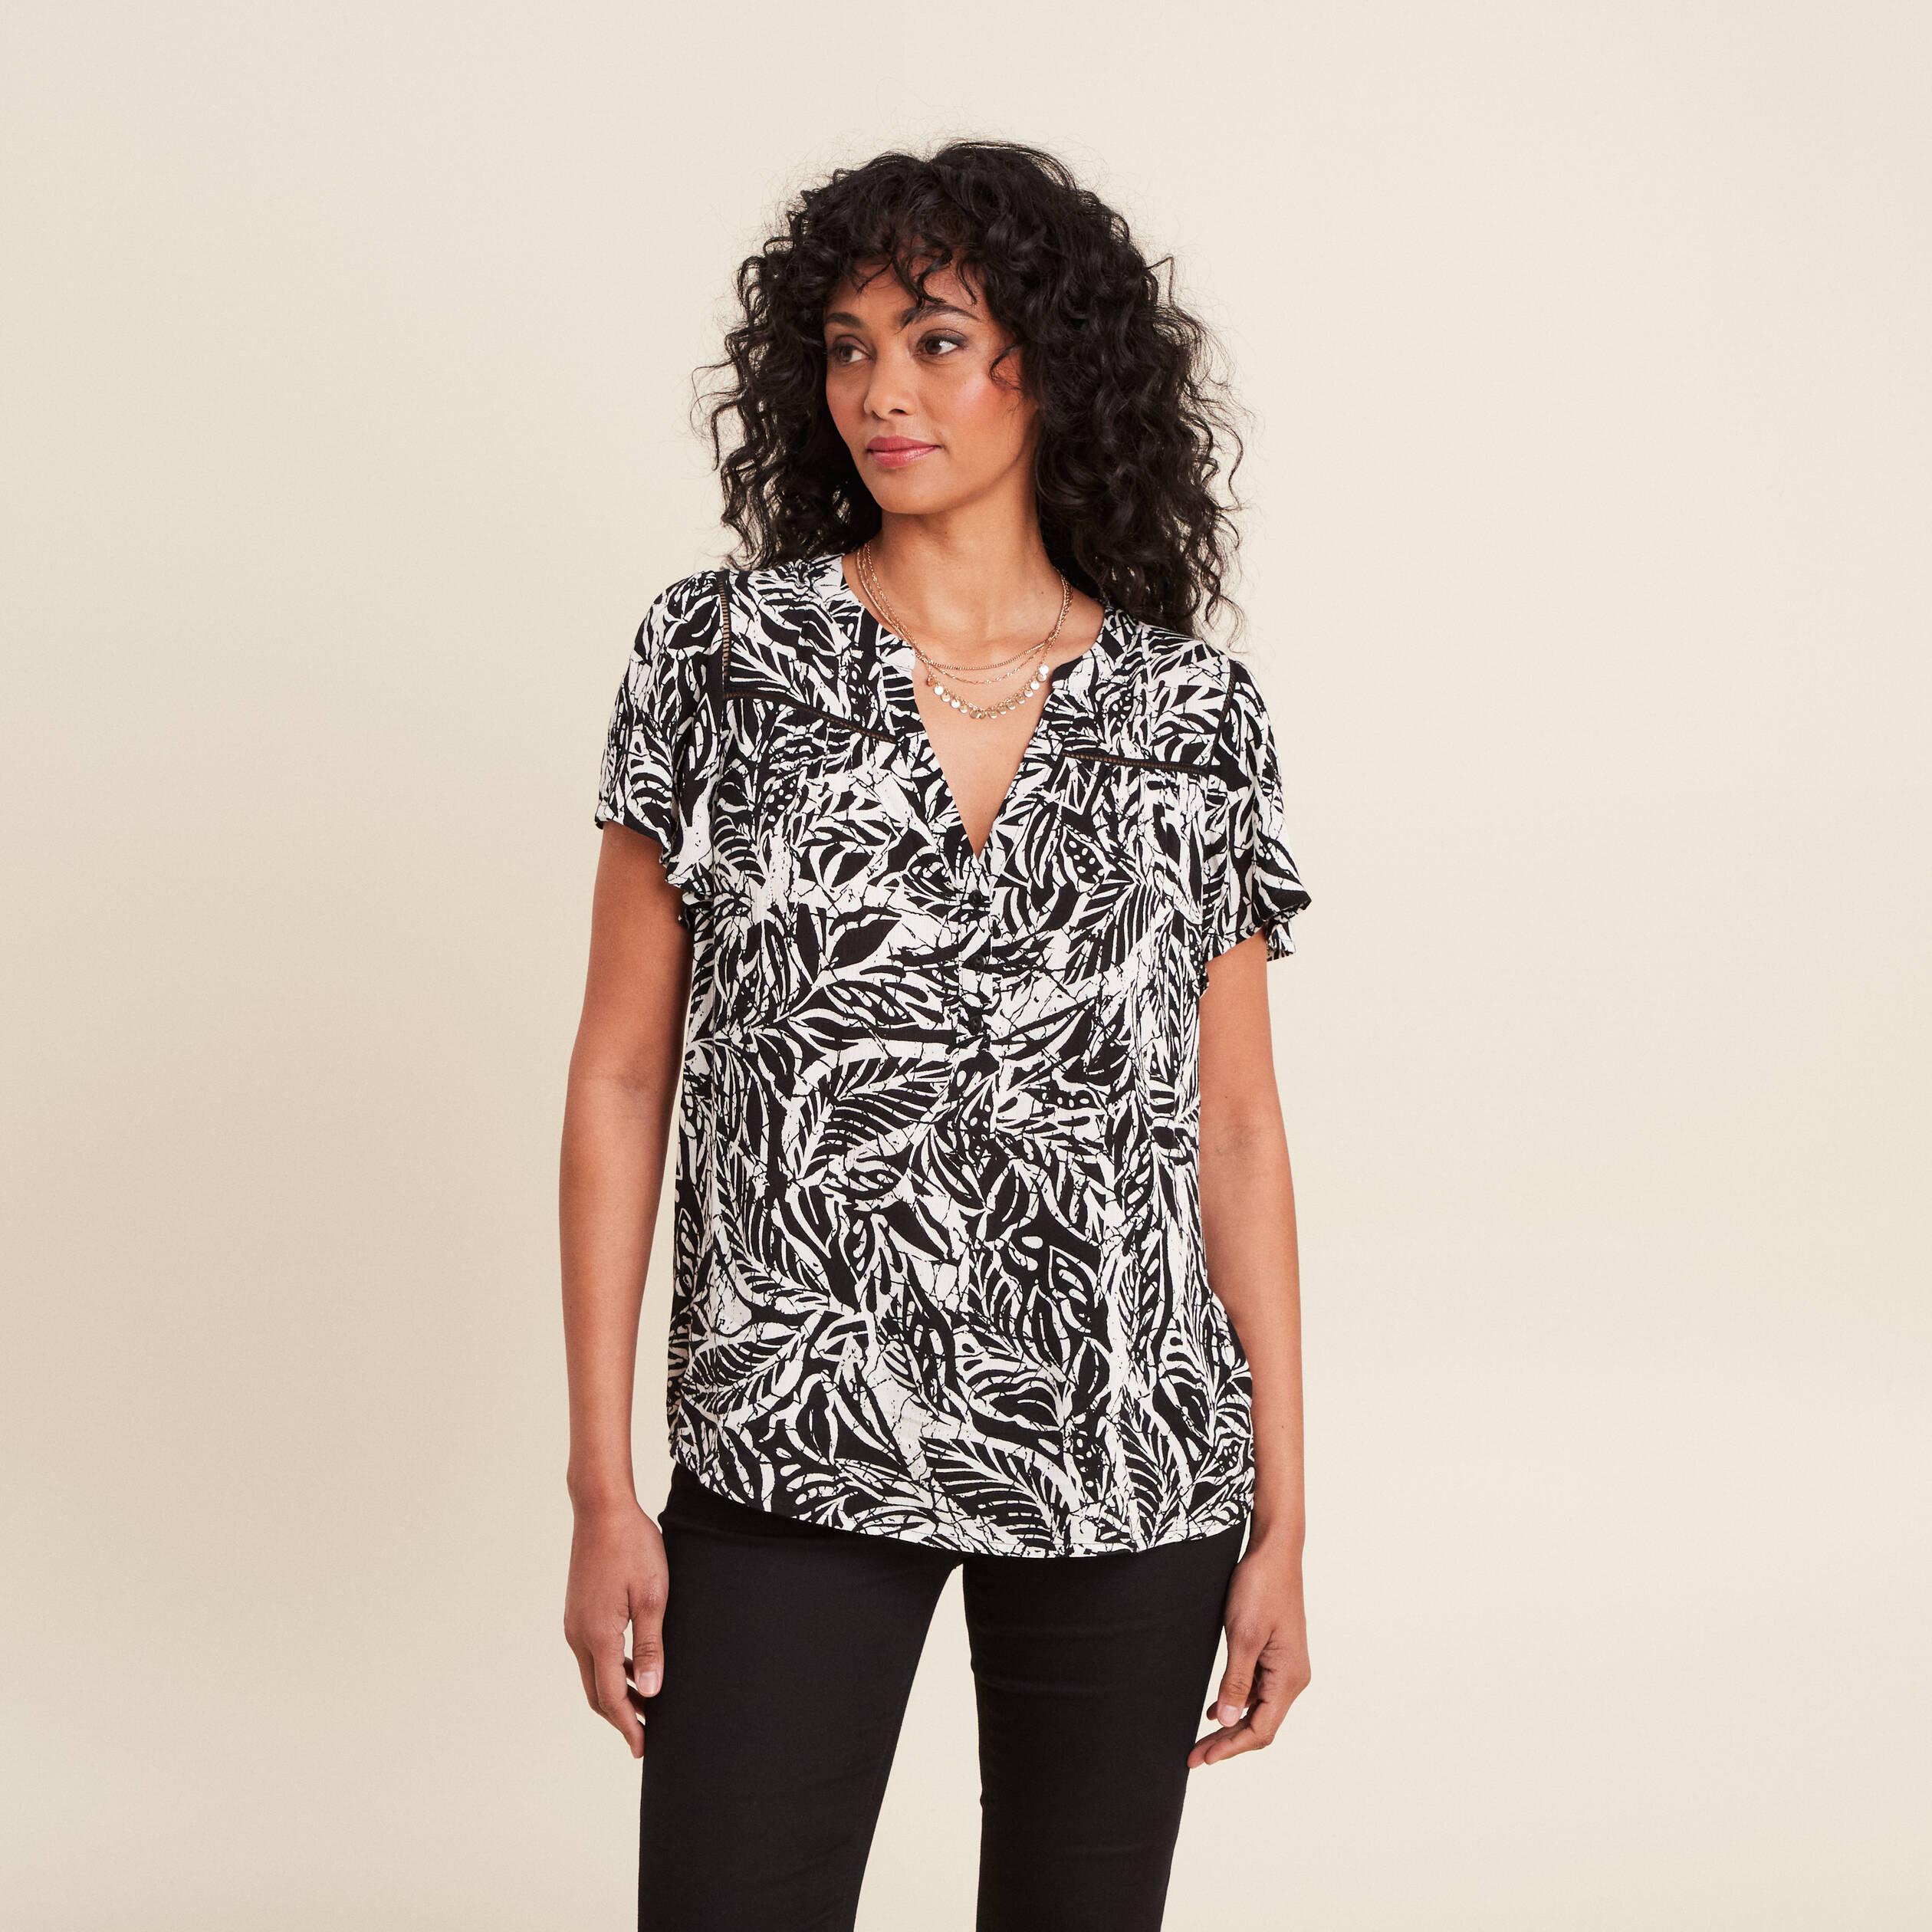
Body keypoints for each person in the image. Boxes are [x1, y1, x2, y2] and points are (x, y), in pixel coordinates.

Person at [560, 140, 1313, 1931]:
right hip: (790, 1428)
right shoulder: (721, 658)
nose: (880, 392)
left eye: (936, 342)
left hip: (1131, 1449)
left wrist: (1286, 1514)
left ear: (1052, 366)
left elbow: (1235, 1131)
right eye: (846, 349)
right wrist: (601, 1488)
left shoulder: (1193, 714)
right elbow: (619, 1076)